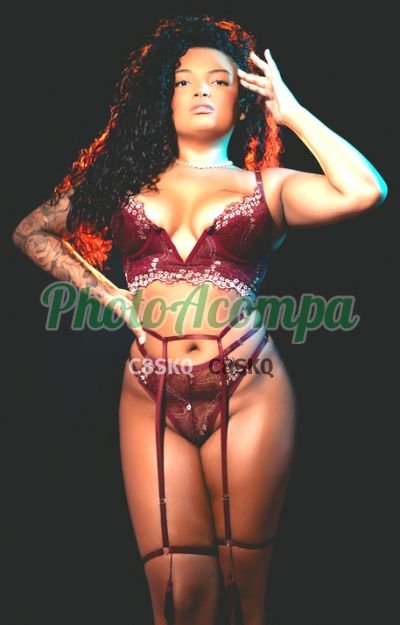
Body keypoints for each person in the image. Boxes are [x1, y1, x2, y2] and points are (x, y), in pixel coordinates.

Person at [12, 13, 387, 625]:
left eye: (219, 80)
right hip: (149, 394)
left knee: (246, 593)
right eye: (183, 81)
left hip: (248, 388)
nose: (200, 91)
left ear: (244, 99)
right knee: (179, 596)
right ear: (163, 96)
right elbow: (31, 231)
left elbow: (364, 190)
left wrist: (292, 114)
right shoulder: (122, 185)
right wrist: (113, 297)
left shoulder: (267, 187)